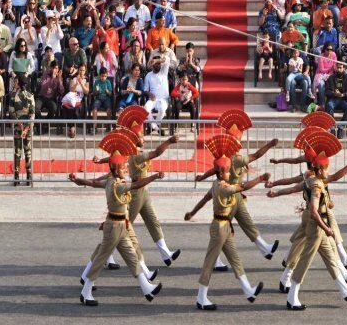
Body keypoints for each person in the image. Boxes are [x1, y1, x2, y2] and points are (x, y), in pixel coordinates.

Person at [185, 132, 269, 310]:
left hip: (224, 226)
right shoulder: (224, 188)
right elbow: (244, 186)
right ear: (221, 172)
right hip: (219, 227)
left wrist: (192, 212)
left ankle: (248, 290)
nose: (230, 172)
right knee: (209, 262)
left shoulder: (216, 185)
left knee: (235, 258)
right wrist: (260, 179)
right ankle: (201, 298)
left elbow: (204, 200)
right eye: (227, 170)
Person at [71, 147, 164, 307]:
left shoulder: (110, 180)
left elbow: (92, 183)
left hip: (121, 225)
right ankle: (86, 292)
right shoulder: (116, 185)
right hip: (114, 227)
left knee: (131, 256)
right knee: (101, 258)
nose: (126, 169)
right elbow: (136, 185)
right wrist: (154, 176)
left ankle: (146, 287)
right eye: (123, 167)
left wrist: (78, 180)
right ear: (116, 169)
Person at [284, 129, 347, 310]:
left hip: (320, 227)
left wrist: (276, 191)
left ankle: (345, 291)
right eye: (326, 168)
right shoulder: (316, 184)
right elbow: (313, 210)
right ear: (319, 169)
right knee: (304, 261)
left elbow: (293, 189)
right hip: (316, 228)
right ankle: (291, 296)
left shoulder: (313, 179)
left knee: (332, 260)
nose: (328, 171)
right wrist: (326, 228)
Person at [195, 112, 280, 262]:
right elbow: (256, 155)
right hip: (230, 196)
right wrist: (270, 144)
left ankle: (265, 248)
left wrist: (202, 177)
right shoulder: (237, 159)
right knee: (222, 228)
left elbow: (213, 169)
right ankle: (215, 260)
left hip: (236, 196)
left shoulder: (225, 157)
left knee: (246, 222)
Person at [11, 74, 35, 187]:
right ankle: (29, 176)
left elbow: (11, 112)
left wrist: (20, 126)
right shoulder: (30, 96)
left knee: (17, 152)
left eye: (16, 81)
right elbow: (32, 115)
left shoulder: (13, 96)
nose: (15, 83)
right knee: (28, 152)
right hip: (28, 129)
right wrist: (26, 128)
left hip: (17, 128)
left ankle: (16, 177)